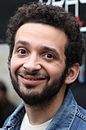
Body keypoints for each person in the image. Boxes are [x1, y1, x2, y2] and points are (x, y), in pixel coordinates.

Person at [2, 2, 86, 130]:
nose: (30, 66)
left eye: (48, 56)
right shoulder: (9, 124)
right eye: (22, 51)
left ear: (71, 73)